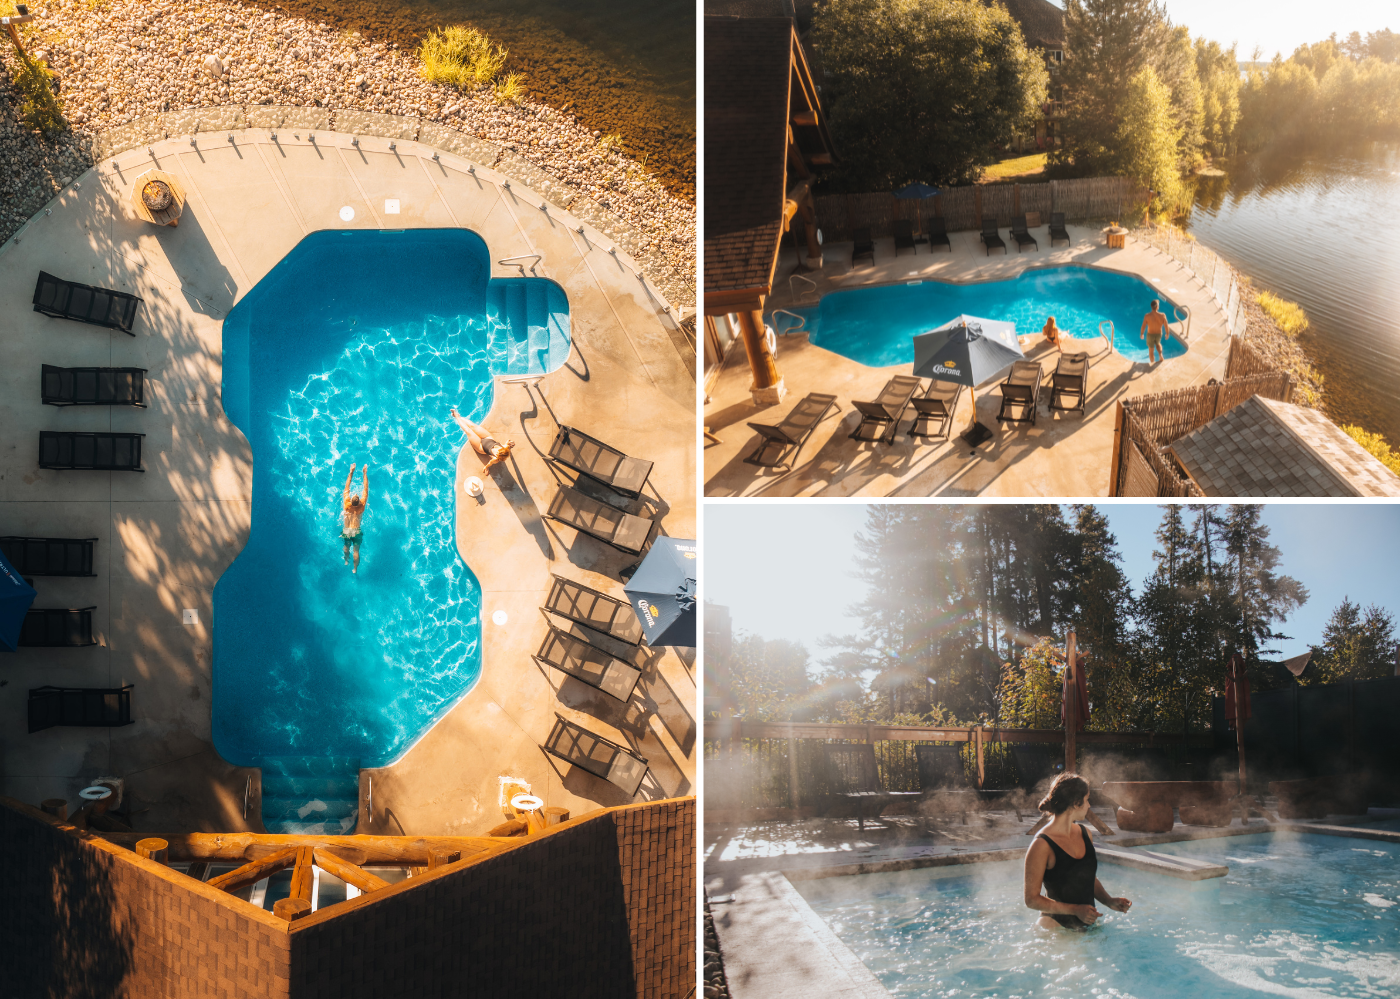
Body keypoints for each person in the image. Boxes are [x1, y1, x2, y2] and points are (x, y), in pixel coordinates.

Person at [1023, 773, 1132, 930]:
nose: (1089, 805)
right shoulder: (1042, 844)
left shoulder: (1085, 833)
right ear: (1076, 803)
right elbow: (1031, 899)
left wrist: (1108, 901)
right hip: (1055, 928)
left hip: (1085, 926)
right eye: (1087, 800)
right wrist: (1075, 910)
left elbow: (1086, 877)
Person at [450, 407, 515, 471]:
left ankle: (456, 416)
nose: (496, 452)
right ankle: (458, 416)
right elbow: (507, 443)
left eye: (497, 454)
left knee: (468, 431)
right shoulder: (505, 447)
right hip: (488, 438)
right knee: (473, 426)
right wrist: (510, 442)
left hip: (480, 446)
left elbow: (489, 463)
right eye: (498, 451)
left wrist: (486, 468)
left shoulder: (495, 459)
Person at [342, 463, 368, 574]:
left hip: (347, 530)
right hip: (356, 531)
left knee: (346, 546)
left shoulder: (346, 504)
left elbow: (347, 485)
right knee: (356, 551)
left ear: (351, 499)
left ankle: (346, 561)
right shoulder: (361, 507)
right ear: (359, 501)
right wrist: (364, 473)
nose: (356, 493)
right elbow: (365, 489)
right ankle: (355, 569)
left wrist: (351, 471)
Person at [1140, 299, 1172, 364]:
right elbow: (1166, 325)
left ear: (1151, 307)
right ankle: (1160, 355)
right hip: (1158, 334)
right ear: (1157, 307)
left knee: (1151, 350)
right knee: (1158, 344)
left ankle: (1152, 362)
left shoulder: (1147, 316)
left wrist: (1142, 334)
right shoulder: (1162, 315)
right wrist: (1167, 333)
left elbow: (1143, 326)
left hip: (1150, 335)